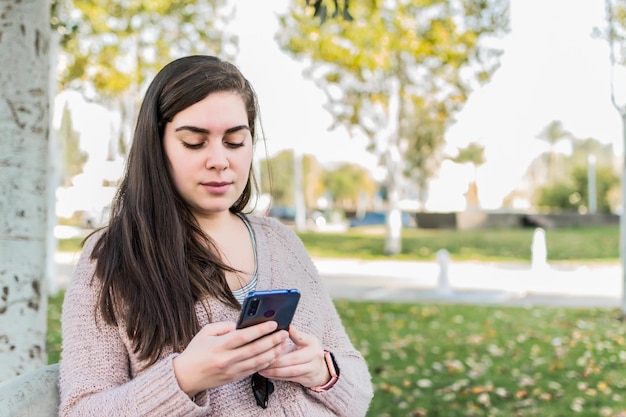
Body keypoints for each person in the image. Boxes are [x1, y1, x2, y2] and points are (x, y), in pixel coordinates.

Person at [58, 55, 373, 416]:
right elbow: (81, 409)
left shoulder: (281, 242)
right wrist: (183, 378)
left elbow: (358, 390)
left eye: (235, 142)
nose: (219, 160)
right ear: (156, 146)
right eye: (195, 142)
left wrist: (322, 370)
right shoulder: (114, 257)